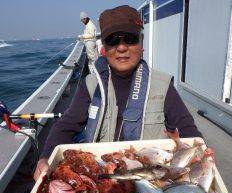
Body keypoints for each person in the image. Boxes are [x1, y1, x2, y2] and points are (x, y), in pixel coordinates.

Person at [33, 5, 202, 180]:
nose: (122, 47)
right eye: (113, 40)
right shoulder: (90, 85)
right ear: (104, 47)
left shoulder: (163, 85)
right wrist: (45, 158)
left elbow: (186, 127)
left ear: (141, 42)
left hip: (151, 177)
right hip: (102, 175)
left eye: (130, 38)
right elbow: (67, 125)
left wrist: (199, 155)